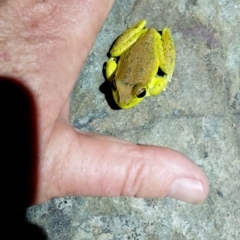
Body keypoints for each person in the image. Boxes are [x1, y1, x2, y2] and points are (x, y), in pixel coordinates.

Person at [0, 0, 208, 206]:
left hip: (151, 47)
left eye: (139, 93)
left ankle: (142, 30)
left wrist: (147, 85)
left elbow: (127, 71)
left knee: (151, 65)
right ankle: (138, 30)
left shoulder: (147, 86)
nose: (122, 101)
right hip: (132, 58)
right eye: (115, 88)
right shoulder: (121, 82)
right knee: (115, 54)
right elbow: (112, 66)